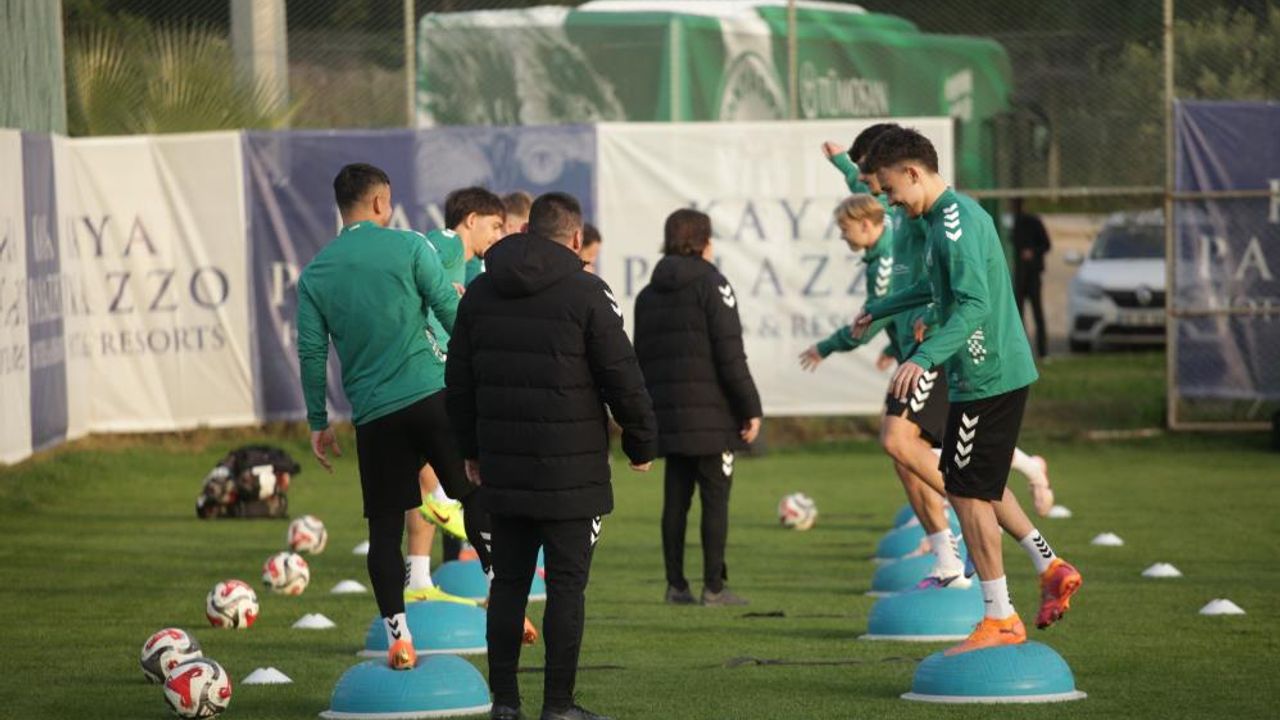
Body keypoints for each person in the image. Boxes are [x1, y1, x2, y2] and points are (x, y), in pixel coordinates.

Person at [853, 128, 1082, 655]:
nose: (889, 202)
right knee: (971, 485)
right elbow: (937, 290)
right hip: (980, 375)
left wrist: (924, 357)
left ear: (913, 172)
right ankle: (1048, 566)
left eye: (890, 189)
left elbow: (975, 305)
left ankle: (1001, 617)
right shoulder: (944, 218)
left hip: (986, 374)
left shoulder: (952, 224)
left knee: (967, 491)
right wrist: (882, 307)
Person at [446, 192, 657, 720]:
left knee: (509, 584)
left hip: (503, 467)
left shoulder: (481, 291)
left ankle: (505, 704)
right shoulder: (589, 291)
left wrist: (470, 451)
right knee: (566, 589)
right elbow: (622, 376)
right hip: (572, 470)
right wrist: (640, 442)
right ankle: (558, 707)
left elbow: (459, 382)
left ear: (525, 231)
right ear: (577, 238)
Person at [297, 163, 488, 670]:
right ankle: (502, 594)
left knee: (385, 530)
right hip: (431, 395)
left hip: (375, 416)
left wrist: (318, 420)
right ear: (382, 202)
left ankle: (399, 638)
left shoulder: (315, 273)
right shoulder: (409, 246)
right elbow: (449, 310)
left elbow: (312, 353)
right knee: (474, 495)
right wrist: (478, 370)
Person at [634, 209, 762, 607]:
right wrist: (750, 407)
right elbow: (730, 354)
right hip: (712, 417)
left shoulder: (648, 294)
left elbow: (642, 359)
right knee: (715, 500)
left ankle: (676, 586)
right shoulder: (713, 285)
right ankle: (714, 588)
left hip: (668, 415)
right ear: (705, 242)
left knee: (675, 501)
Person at [406, 186, 509, 604]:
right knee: (452, 470)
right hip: (426, 373)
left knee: (424, 472)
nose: (499, 236)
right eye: (495, 226)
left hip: (441, 374)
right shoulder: (447, 243)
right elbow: (416, 265)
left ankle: (417, 578)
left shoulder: (471, 267)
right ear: (470, 220)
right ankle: (443, 503)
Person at [1011, 198, 1051, 359]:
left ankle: (1043, 352)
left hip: (1033, 274)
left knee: (1037, 314)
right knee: (1018, 316)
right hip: (1020, 275)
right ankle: (1020, 352)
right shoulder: (1015, 223)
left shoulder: (1035, 222)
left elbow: (1046, 244)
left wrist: (1032, 252)